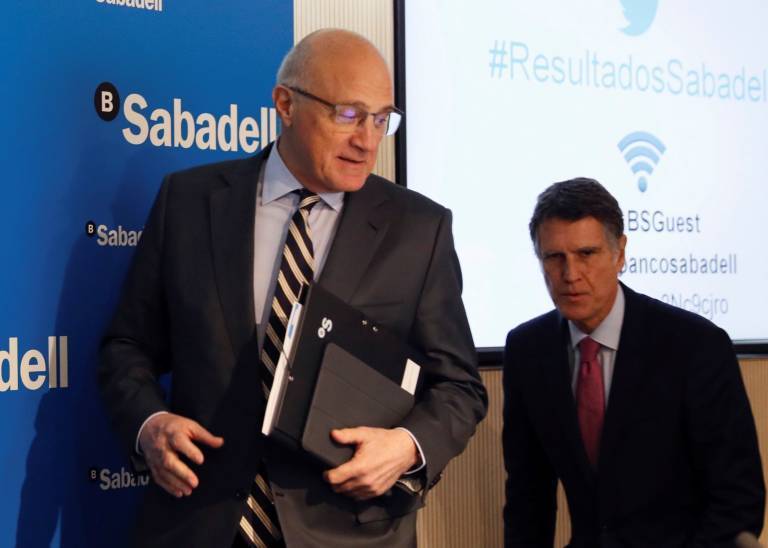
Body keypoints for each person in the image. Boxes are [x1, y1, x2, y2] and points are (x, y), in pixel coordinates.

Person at [98, 29, 487, 548]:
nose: (367, 140)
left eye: (381, 119)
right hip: (199, 523)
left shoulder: (419, 229)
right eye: (348, 114)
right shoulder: (188, 203)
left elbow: (459, 386)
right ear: (285, 103)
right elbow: (126, 347)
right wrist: (150, 424)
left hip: (351, 530)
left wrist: (407, 446)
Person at [503, 178, 765, 547]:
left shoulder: (695, 345)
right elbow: (527, 498)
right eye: (554, 257)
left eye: (587, 254)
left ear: (620, 253)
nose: (570, 274)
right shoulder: (528, 349)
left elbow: (738, 500)